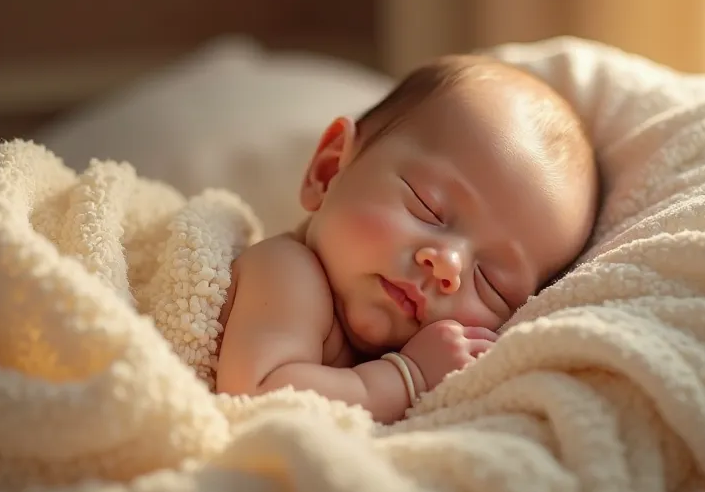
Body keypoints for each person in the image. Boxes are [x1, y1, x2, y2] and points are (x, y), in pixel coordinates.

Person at [215, 54, 599, 423]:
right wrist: (407, 376)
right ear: (329, 170)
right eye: (427, 208)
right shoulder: (287, 271)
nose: (449, 265)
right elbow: (257, 397)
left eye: (492, 283)